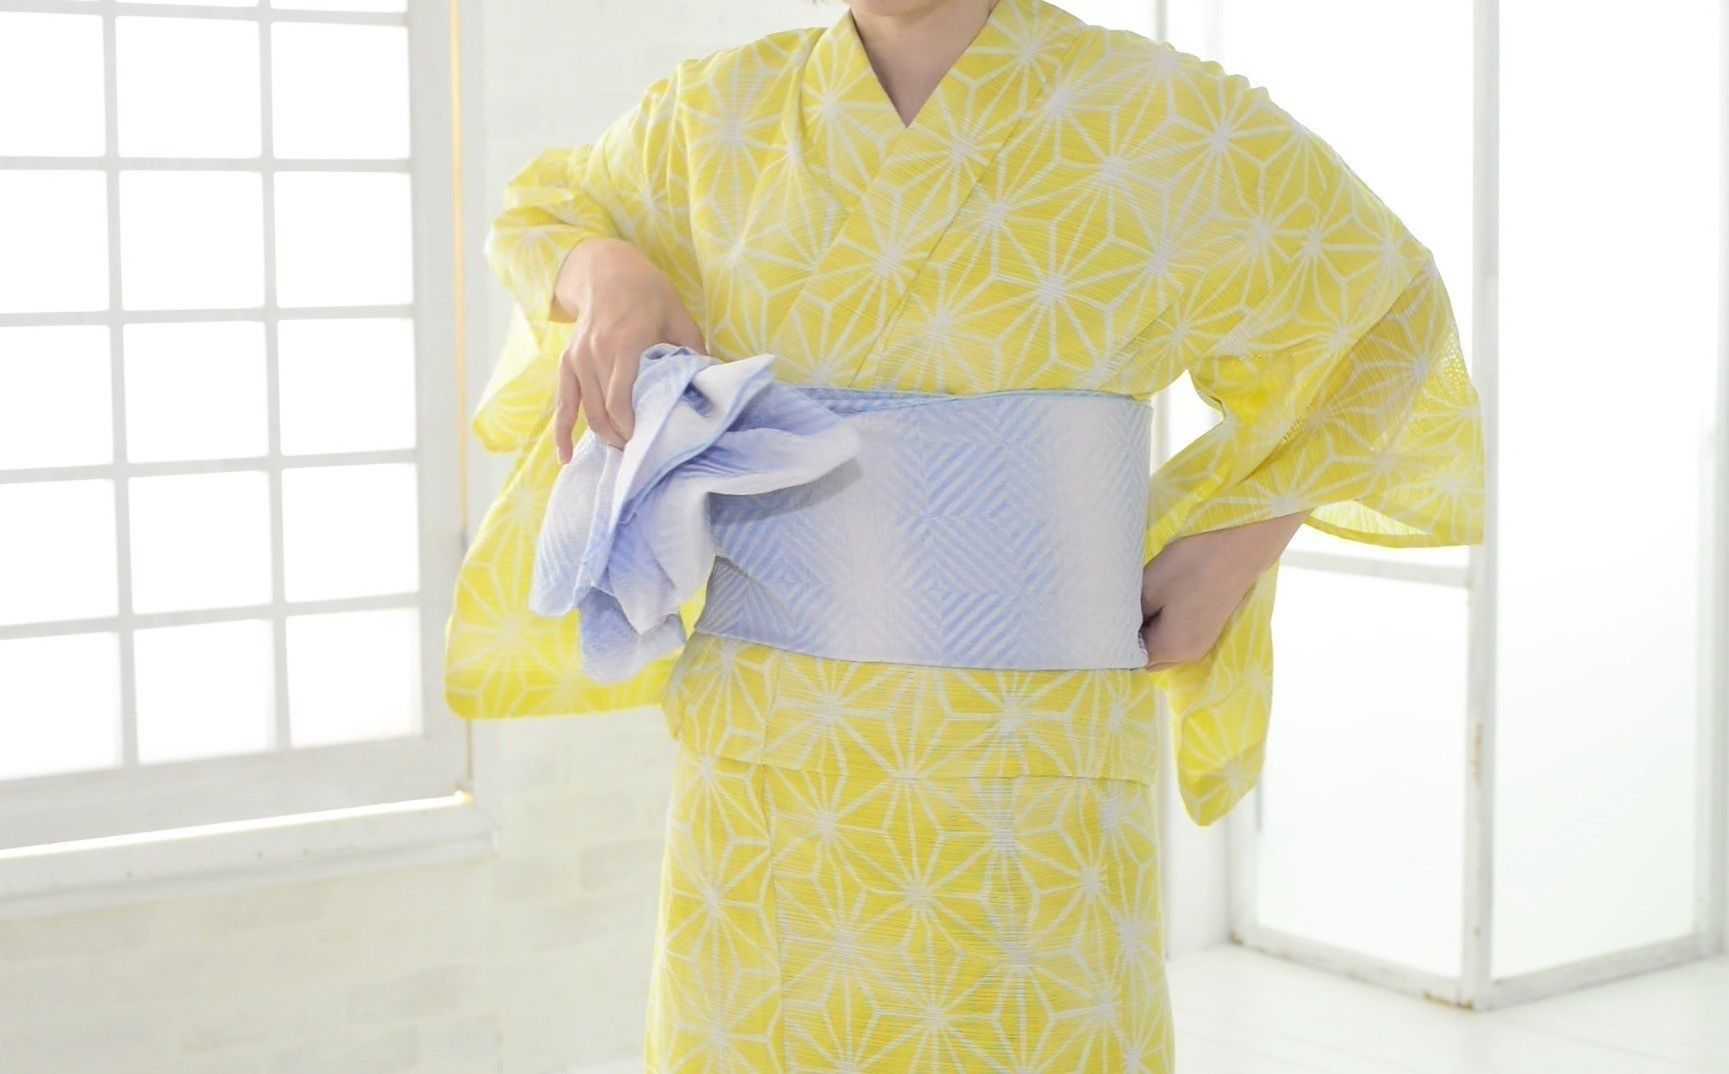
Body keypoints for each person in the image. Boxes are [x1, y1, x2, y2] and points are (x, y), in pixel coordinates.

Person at [446, 0, 1487, 1068]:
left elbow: (1387, 316)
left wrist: (1239, 543)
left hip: (1030, 760)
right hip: (769, 772)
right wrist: (604, 269)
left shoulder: (1161, 116)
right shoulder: (709, 117)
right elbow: (540, 215)